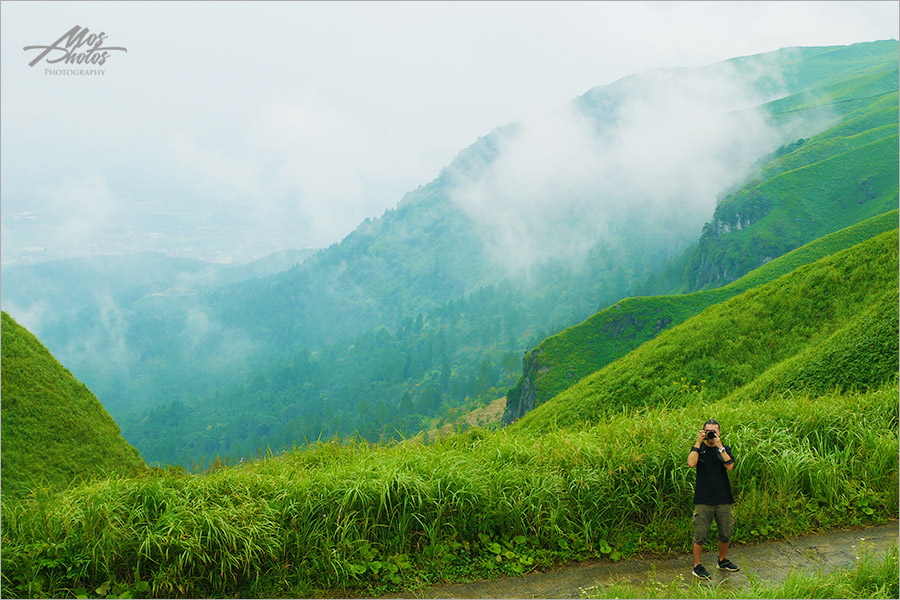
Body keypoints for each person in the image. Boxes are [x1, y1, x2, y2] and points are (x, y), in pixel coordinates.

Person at [687, 418, 740, 580]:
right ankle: (697, 566)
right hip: (704, 499)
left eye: (714, 431)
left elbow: (730, 466)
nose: (711, 434)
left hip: (723, 497)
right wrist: (697, 442)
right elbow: (691, 463)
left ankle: (722, 560)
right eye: (708, 431)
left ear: (719, 433)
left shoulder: (723, 449)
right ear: (703, 432)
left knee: (725, 532)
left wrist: (719, 445)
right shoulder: (699, 448)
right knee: (701, 534)